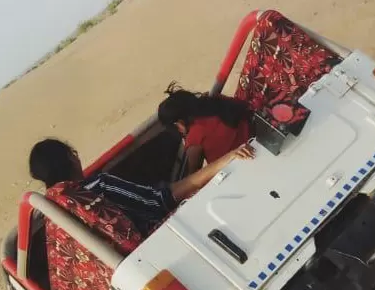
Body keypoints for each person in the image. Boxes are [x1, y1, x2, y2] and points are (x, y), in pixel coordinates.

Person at [28, 137, 254, 237]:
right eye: (73, 154)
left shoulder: (55, 216)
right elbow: (160, 201)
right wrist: (224, 160)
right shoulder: (98, 187)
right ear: (71, 159)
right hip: (155, 243)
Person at [157, 84, 254, 175]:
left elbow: (193, 179)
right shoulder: (218, 99)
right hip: (255, 148)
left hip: (236, 170)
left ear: (180, 124)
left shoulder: (195, 138)